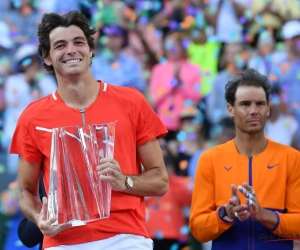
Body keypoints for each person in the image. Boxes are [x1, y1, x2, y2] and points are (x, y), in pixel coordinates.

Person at [10, 10, 169, 250]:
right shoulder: (32, 117)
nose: (71, 50)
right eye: (60, 45)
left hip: (126, 238)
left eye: (79, 42)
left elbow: (160, 181)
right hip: (62, 243)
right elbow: (25, 192)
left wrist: (125, 181)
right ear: (47, 57)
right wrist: (40, 218)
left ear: (90, 50)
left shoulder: (131, 101)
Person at [189, 68, 300, 249]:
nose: (254, 110)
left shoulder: (292, 159)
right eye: (245, 104)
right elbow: (198, 229)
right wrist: (225, 214)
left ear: (268, 109)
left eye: (260, 104)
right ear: (230, 109)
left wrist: (264, 215)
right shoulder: (210, 159)